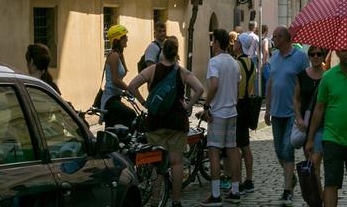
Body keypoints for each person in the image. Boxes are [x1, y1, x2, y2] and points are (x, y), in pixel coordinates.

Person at [128, 36, 204, 207]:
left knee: (157, 165)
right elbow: (199, 89)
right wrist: (188, 105)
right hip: (177, 123)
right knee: (176, 163)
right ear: (176, 53)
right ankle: (176, 201)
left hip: (155, 123)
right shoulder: (182, 72)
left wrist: (144, 103)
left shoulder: (152, 70)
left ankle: (156, 201)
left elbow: (131, 86)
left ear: (162, 52)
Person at [306, 48, 347, 207]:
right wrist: (310, 138)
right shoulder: (328, 77)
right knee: (331, 182)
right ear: (337, 53)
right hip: (332, 138)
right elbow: (319, 109)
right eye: (343, 50)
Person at [265, 27, 309, 206]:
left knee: (287, 148)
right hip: (276, 111)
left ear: (284, 38)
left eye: (275, 36)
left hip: (292, 111)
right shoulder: (274, 57)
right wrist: (267, 109)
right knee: (278, 150)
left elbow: (305, 83)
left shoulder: (300, 57)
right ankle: (290, 178)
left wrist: (303, 111)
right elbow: (271, 83)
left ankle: (287, 190)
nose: (272, 39)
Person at [202, 29, 242, 206]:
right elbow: (238, 82)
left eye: (213, 41)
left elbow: (215, 84)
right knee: (232, 150)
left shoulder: (214, 61)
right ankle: (235, 190)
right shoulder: (234, 62)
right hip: (232, 111)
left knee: (214, 152)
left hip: (218, 112)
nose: (212, 44)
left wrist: (207, 104)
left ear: (217, 42)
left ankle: (216, 194)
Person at [294, 45, 327, 187]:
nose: (315, 57)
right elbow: (296, 99)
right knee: (310, 162)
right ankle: (316, 196)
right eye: (312, 54)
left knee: (315, 161)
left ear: (323, 56)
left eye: (319, 54)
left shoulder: (328, 76)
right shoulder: (302, 75)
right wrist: (299, 117)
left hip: (322, 124)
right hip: (306, 125)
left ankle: (318, 198)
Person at [233, 40, 257, 194]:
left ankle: (238, 182)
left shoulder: (236, 64)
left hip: (237, 105)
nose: (233, 44)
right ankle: (249, 180)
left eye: (235, 42)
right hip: (248, 105)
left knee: (235, 147)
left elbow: (234, 87)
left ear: (240, 45)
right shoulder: (252, 64)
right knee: (246, 145)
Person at [101, 24, 136, 128]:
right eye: (124, 36)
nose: (127, 39)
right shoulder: (114, 56)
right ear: (118, 39)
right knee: (131, 115)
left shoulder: (119, 54)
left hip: (116, 96)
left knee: (115, 128)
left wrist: (124, 92)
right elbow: (115, 80)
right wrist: (129, 89)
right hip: (110, 99)